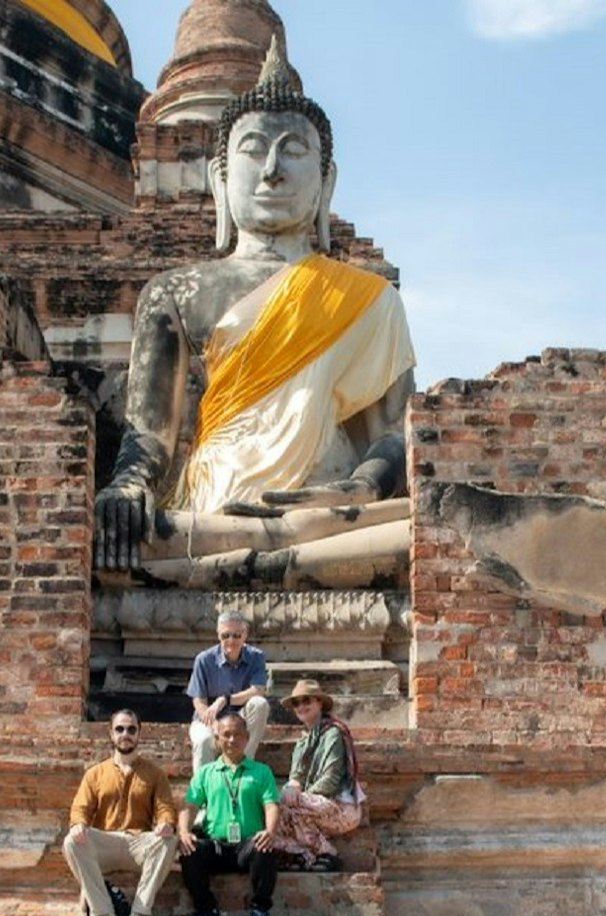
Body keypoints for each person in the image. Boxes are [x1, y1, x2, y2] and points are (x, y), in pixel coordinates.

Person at [92, 37, 417, 590]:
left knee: (416, 531)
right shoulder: (177, 291)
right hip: (212, 509)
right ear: (221, 180)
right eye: (252, 150)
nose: (272, 170)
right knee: (117, 535)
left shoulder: (370, 297)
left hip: (328, 513)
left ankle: (282, 545)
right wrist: (126, 491)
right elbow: (150, 437)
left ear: (325, 181)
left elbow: (396, 434)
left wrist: (360, 490)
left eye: (293, 150)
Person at [64, 710, 177, 916]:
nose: (126, 734)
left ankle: (139, 914)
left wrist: (166, 822)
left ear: (139, 734)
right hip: (104, 842)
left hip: (137, 844)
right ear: (111, 733)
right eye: (120, 729)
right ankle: (104, 915)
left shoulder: (154, 774)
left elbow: (166, 807)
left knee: (168, 841)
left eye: (131, 729)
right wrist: (78, 823)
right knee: (71, 842)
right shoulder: (95, 773)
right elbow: (80, 808)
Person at [178, 712, 281, 916]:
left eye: (237, 734)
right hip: (216, 845)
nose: (232, 740)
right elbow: (189, 806)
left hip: (247, 845)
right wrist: (184, 833)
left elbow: (272, 805)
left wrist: (270, 831)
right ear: (217, 739)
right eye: (226, 735)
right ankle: (206, 911)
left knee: (265, 847)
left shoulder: (262, 772)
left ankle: (260, 910)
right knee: (190, 849)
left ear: (246, 737)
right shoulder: (206, 773)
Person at [274, 679, 364, 870]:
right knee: (272, 813)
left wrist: (298, 797)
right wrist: (292, 791)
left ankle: (328, 854)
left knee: (285, 808)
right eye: (296, 703)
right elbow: (295, 779)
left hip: (340, 806)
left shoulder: (333, 733)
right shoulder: (302, 743)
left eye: (307, 700)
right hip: (312, 806)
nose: (301, 706)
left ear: (320, 703)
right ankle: (304, 857)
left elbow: (330, 780)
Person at [186, 611, 271, 773]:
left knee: (260, 704)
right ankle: (202, 793)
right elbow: (198, 701)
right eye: (225, 635)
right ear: (218, 635)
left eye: (236, 635)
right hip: (208, 720)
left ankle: (242, 765)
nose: (231, 641)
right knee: (204, 741)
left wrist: (225, 699)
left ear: (245, 635)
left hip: (240, 718)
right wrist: (215, 725)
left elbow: (258, 690)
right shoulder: (204, 659)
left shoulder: (256, 657)